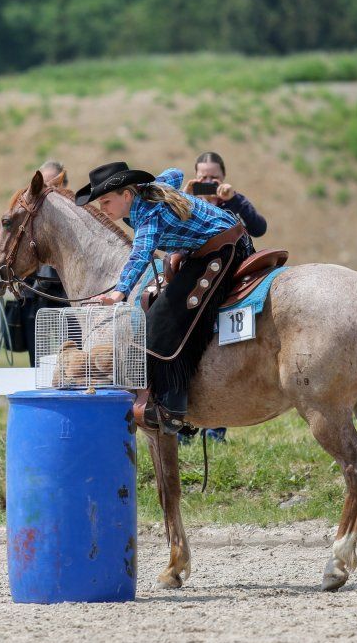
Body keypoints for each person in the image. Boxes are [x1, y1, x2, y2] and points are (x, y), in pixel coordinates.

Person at [77, 162, 249, 436]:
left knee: (165, 321)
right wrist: (157, 184)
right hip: (208, 247)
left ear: (127, 195)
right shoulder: (150, 191)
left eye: (106, 200)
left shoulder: (148, 215)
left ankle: (173, 407)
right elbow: (176, 172)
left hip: (224, 248)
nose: (102, 208)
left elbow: (140, 254)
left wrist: (120, 292)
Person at [183, 151, 268, 442]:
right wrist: (185, 198)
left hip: (229, 283)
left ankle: (216, 427)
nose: (209, 182)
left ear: (224, 178)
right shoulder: (187, 202)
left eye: (214, 178)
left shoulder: (234, 203)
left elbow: (259, 227)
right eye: (203, 177)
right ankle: (182, 423)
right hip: (193, 284)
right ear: (195, 177)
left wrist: (234, 199)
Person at [17, 161, 69, 365]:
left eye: (52, 184)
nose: (45, 190)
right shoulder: (28, 215)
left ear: (63, 184)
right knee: (38, 361)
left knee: (71, 358)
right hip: (36, 297)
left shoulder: (72, 215)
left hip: (66, 297)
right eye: (42, 184)